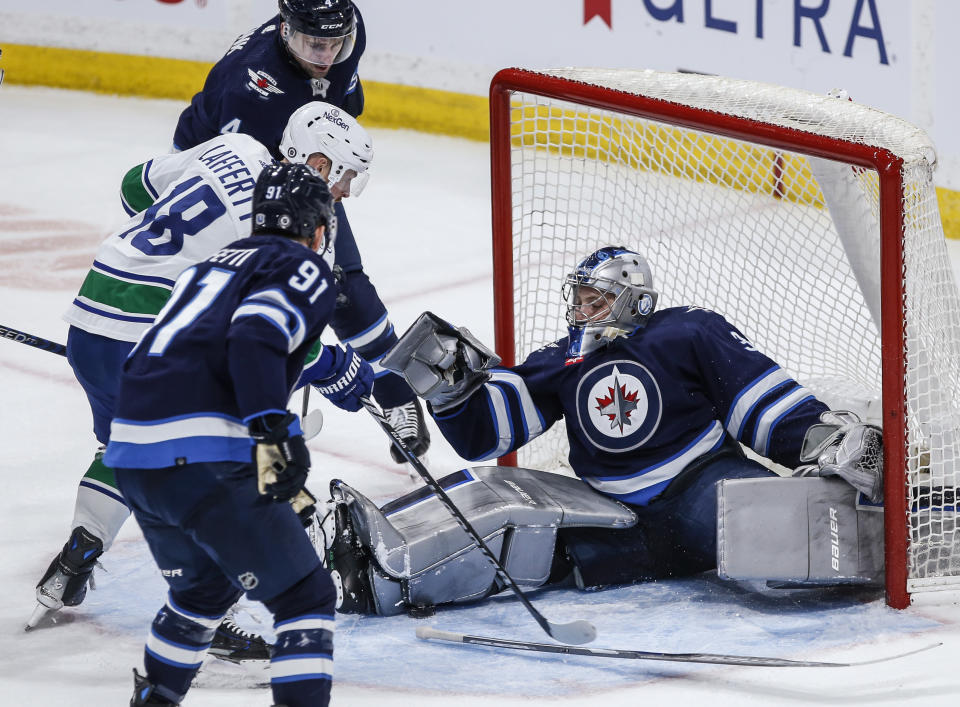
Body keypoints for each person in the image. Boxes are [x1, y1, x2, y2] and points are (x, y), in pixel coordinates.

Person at [312, 246, 885, 615]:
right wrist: (450, 389)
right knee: (520, 547)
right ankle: (382, 572)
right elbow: (489, 433)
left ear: (635, 299)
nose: (584, 311)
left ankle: (897, 527)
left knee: (781, 537)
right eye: (580, 300)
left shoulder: (685, 332)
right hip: (614, 513)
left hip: (700, 487)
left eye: (598, 300)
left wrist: (821, 439)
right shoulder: (565, 359)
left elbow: (757, 400)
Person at [29, 102, 373, 659]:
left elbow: (133, 189)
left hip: (92, 314)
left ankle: (82, 544)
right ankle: (222, 614)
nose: (348, 192)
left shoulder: (231, 149)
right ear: (317, 162)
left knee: (126, 444)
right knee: (216, 464)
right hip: (155, 336)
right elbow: (269, 335)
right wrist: (340, 368)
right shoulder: (281, 222)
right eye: (346, 175)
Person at [107, 162, 370, 706]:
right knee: (305, 596)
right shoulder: (301, 265)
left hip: (133, 455)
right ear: (318, 228)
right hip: (202, 458)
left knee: (204, 589)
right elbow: (255, 336)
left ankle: (155, 699)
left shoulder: (209, 266)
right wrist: (273, 432)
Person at [173, 0, 430, 465]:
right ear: (285, 30)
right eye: (316, 43)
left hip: (302, 159)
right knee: (256, 301)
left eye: (336, 43)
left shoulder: (345, 29)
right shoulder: (251, 87)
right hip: (235, 172)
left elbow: (340, 104)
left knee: (345, 287)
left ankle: (396, 394)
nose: (328, 54)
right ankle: (257, 420)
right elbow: (241, 168)